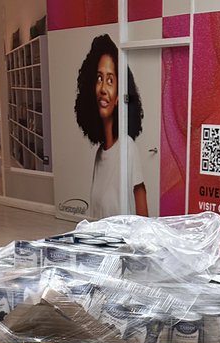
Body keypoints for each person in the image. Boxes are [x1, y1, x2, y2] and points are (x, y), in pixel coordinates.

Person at [74, 34, 148, 219]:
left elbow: (143, 213)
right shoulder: (100, 154)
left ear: (118, 97)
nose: (103, 89)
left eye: (110, 80)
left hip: (123, 246)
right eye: (99, 78)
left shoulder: (128, 148)